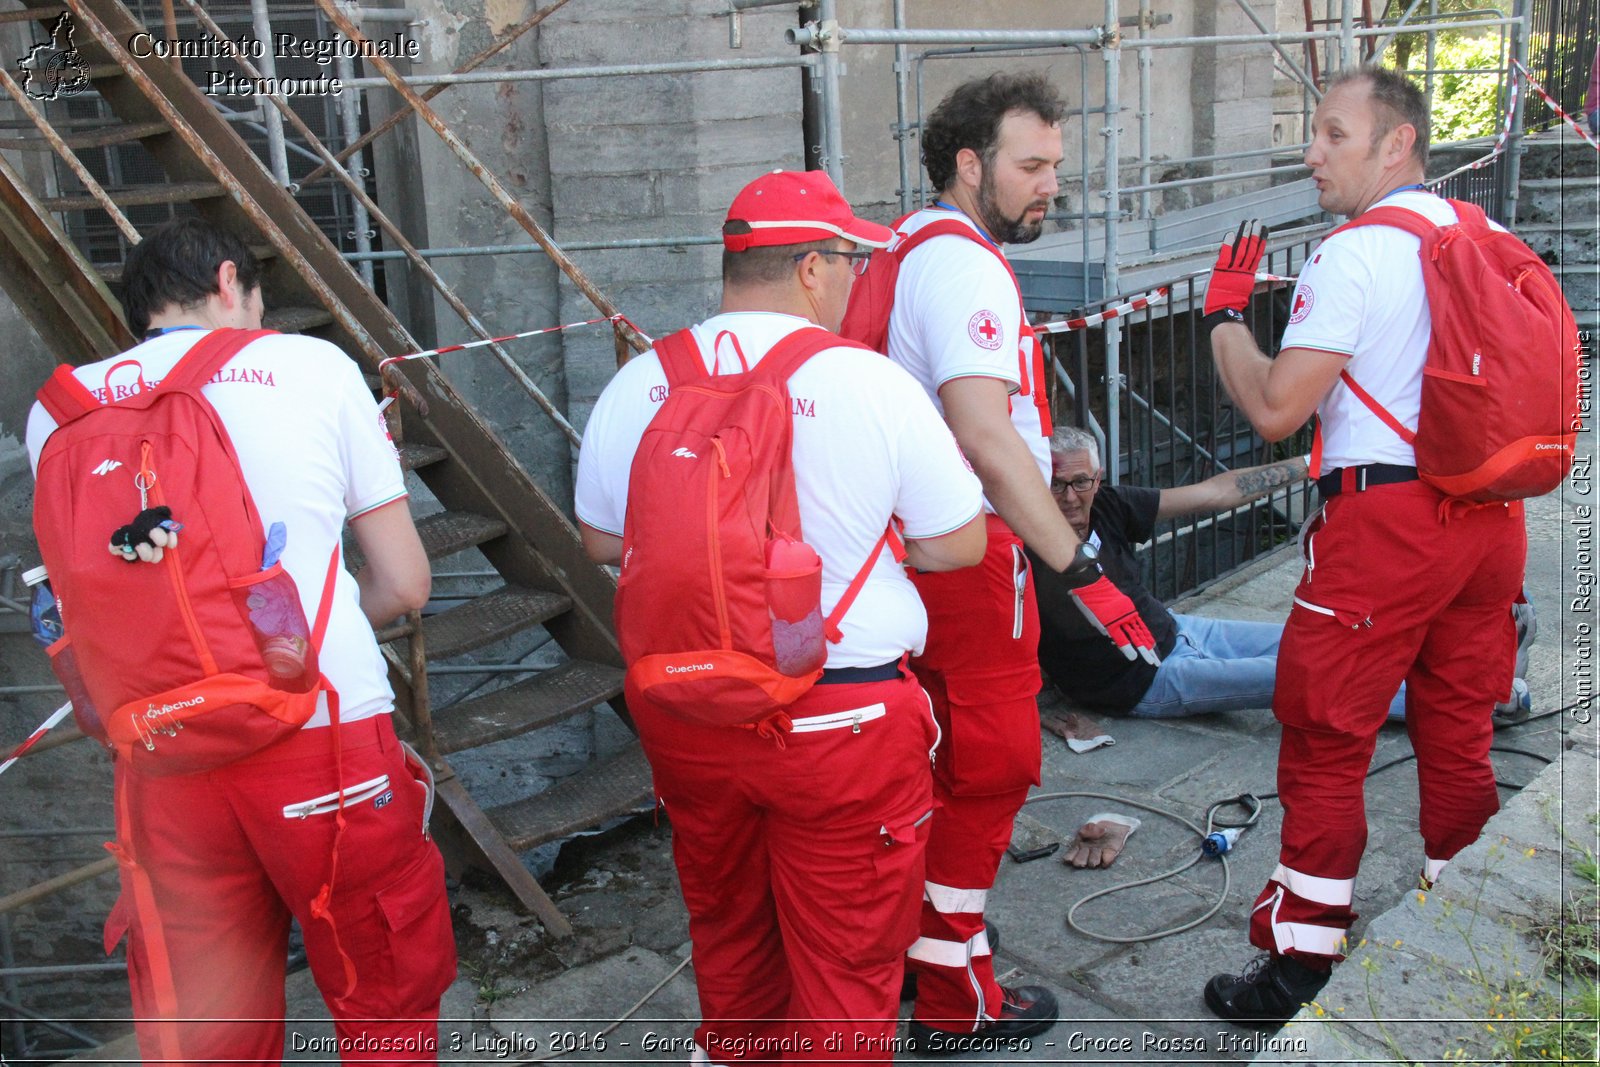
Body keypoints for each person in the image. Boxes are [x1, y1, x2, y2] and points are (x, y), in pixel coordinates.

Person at [574, 169, 986, 1065]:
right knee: (844, 972)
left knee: (730, 940)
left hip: (687, 707)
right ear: (810, 267)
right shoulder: (866, 383)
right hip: (839, 719)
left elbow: (603, 540)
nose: (857, 280)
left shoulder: (642, 378)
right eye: (853, 261)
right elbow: (960, 545)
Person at [25, 219, 455, 1062]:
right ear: (232, 283)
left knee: (207, 1027)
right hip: (320, 733)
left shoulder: (57, 414)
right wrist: (277, 641)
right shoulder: (312, 366)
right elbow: (405, 583)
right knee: (386, 1005)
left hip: (161, 755)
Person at [1199, 67, 1527, 1024]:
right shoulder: (1491, 237)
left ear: (1397, 145)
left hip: (1384, 527)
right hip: (1489, 520)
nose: (1311, 154)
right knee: (1460, 727)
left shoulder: (1357, 251)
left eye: (1332, 135)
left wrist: (1226, 319)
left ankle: (1300, 962)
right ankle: (1464, 923)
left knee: (1324, 739)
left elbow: (1273, 409)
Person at [883, 71, 1158, 1053]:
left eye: (1055, 164)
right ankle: (959, 999)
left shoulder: (898, 248)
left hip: (909, 558)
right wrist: (1080, 569)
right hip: (968, 558)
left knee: (929, 768)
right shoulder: (963, 266)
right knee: (992, 769)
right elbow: (986, 433)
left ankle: (930, 949)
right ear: (971, 162)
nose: (1051, 184)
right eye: (1032, 165)